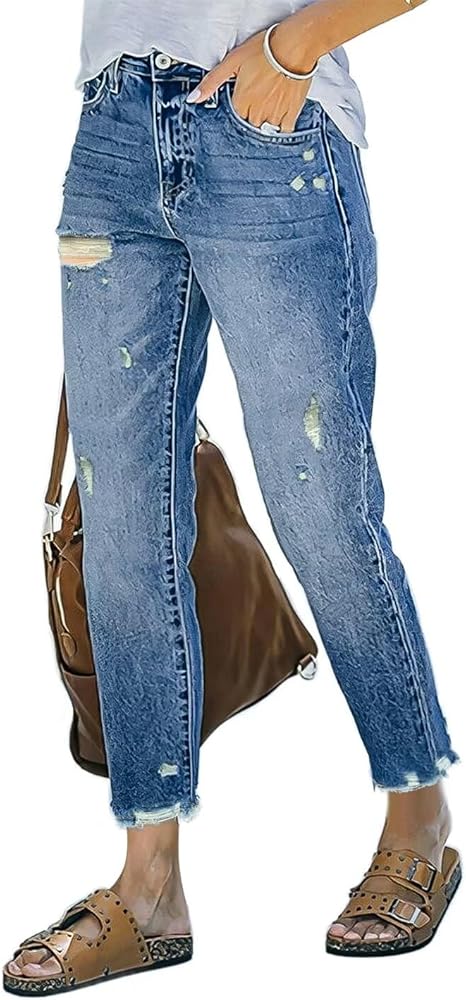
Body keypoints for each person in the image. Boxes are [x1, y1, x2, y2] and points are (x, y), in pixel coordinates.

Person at [3, 0, 461, 991]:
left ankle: (419, 816)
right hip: (113, 129)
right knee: (121, 529)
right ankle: (149, 889)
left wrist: (291, 51)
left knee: (322, 510)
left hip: (268, 130)